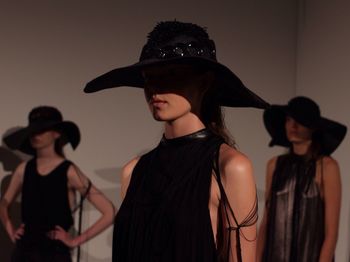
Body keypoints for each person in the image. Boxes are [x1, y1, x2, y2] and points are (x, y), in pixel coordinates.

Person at [85, 20, 269, 262]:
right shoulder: (134, 172)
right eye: (148, 77)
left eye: (171, 75)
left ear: (204, 82)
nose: (155, 88)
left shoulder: (230, 167)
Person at [0, 106, 115, 262]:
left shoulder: (69, 171)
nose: (36, 135)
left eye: (41, 130)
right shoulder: (23, 170)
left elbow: (109, 211)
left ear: (57, 133)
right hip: (24, 253)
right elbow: (3, 204)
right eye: (33, 131)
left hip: (54, 255)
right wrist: (11, 231)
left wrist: (75, 241)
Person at [257, 96, 347, 262]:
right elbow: (266, 221)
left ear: (313, 127)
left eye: (299, 120)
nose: (293, 126)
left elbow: (331, 232)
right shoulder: (274, 165)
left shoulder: (327, 167)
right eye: (289, 119)